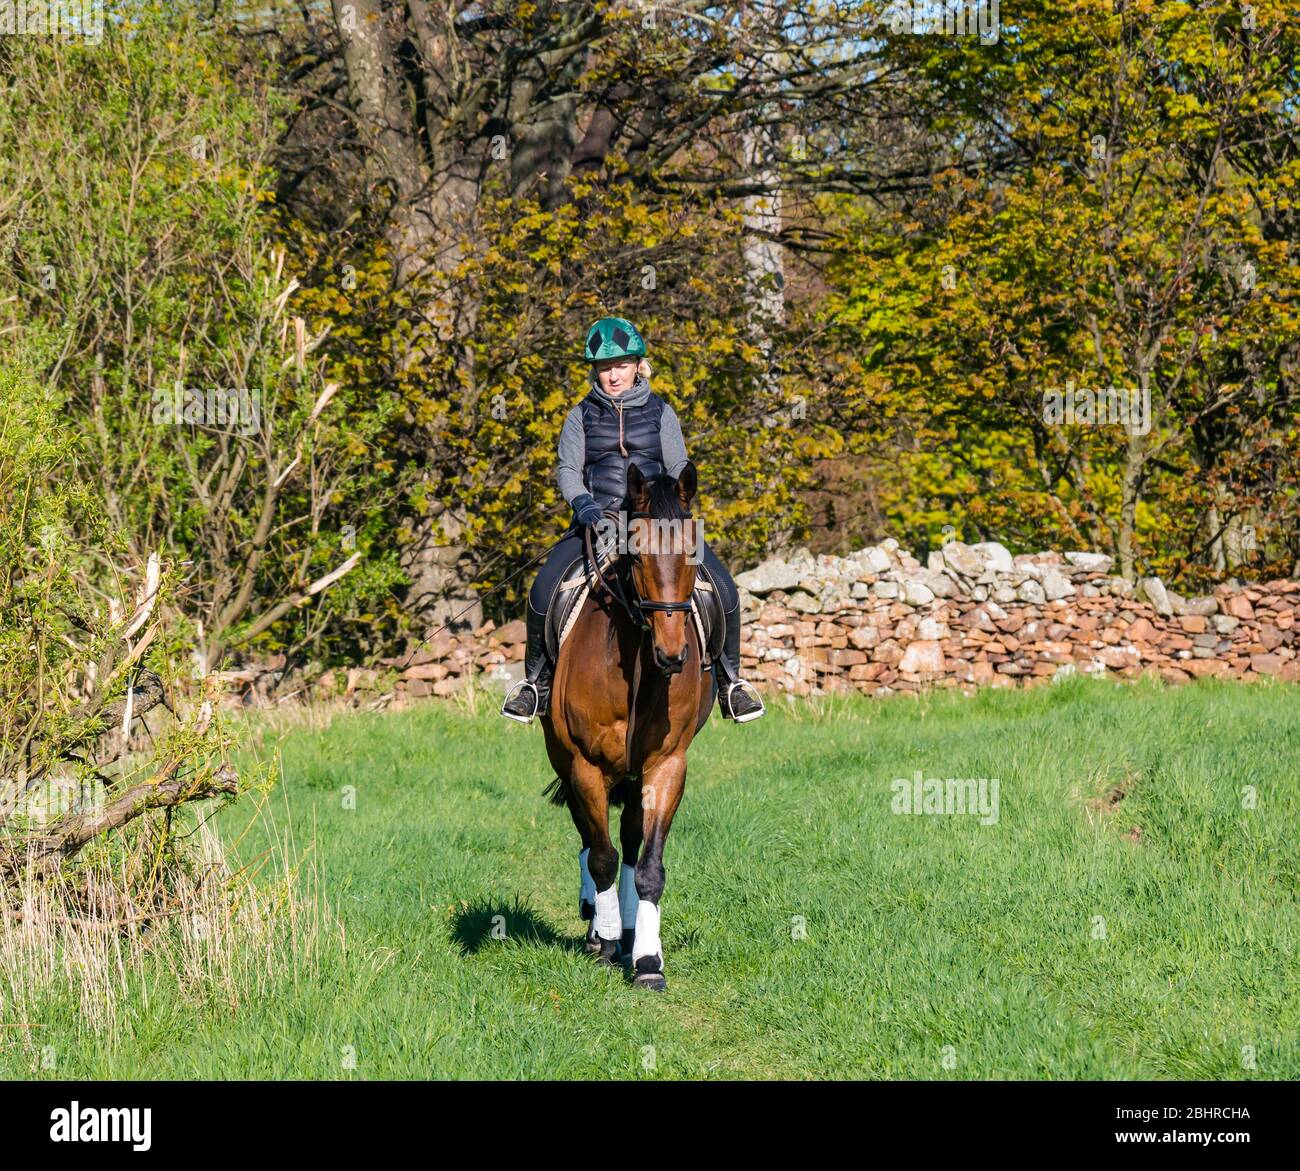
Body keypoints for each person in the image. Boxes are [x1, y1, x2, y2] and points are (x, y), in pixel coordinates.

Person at [501, 316, 766, 725]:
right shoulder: (580, 416)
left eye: (621, 365)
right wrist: (583, 505)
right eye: (605, 368)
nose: (613, 376)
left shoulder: (662, 411)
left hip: (658, 522)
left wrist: (674, 502)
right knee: (543, 589)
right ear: (595, 371)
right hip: (599, 520)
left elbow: (678, 463)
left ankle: (732, 683)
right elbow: (567, 470)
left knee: (724, 589)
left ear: (637, 365)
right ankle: (535, 683)